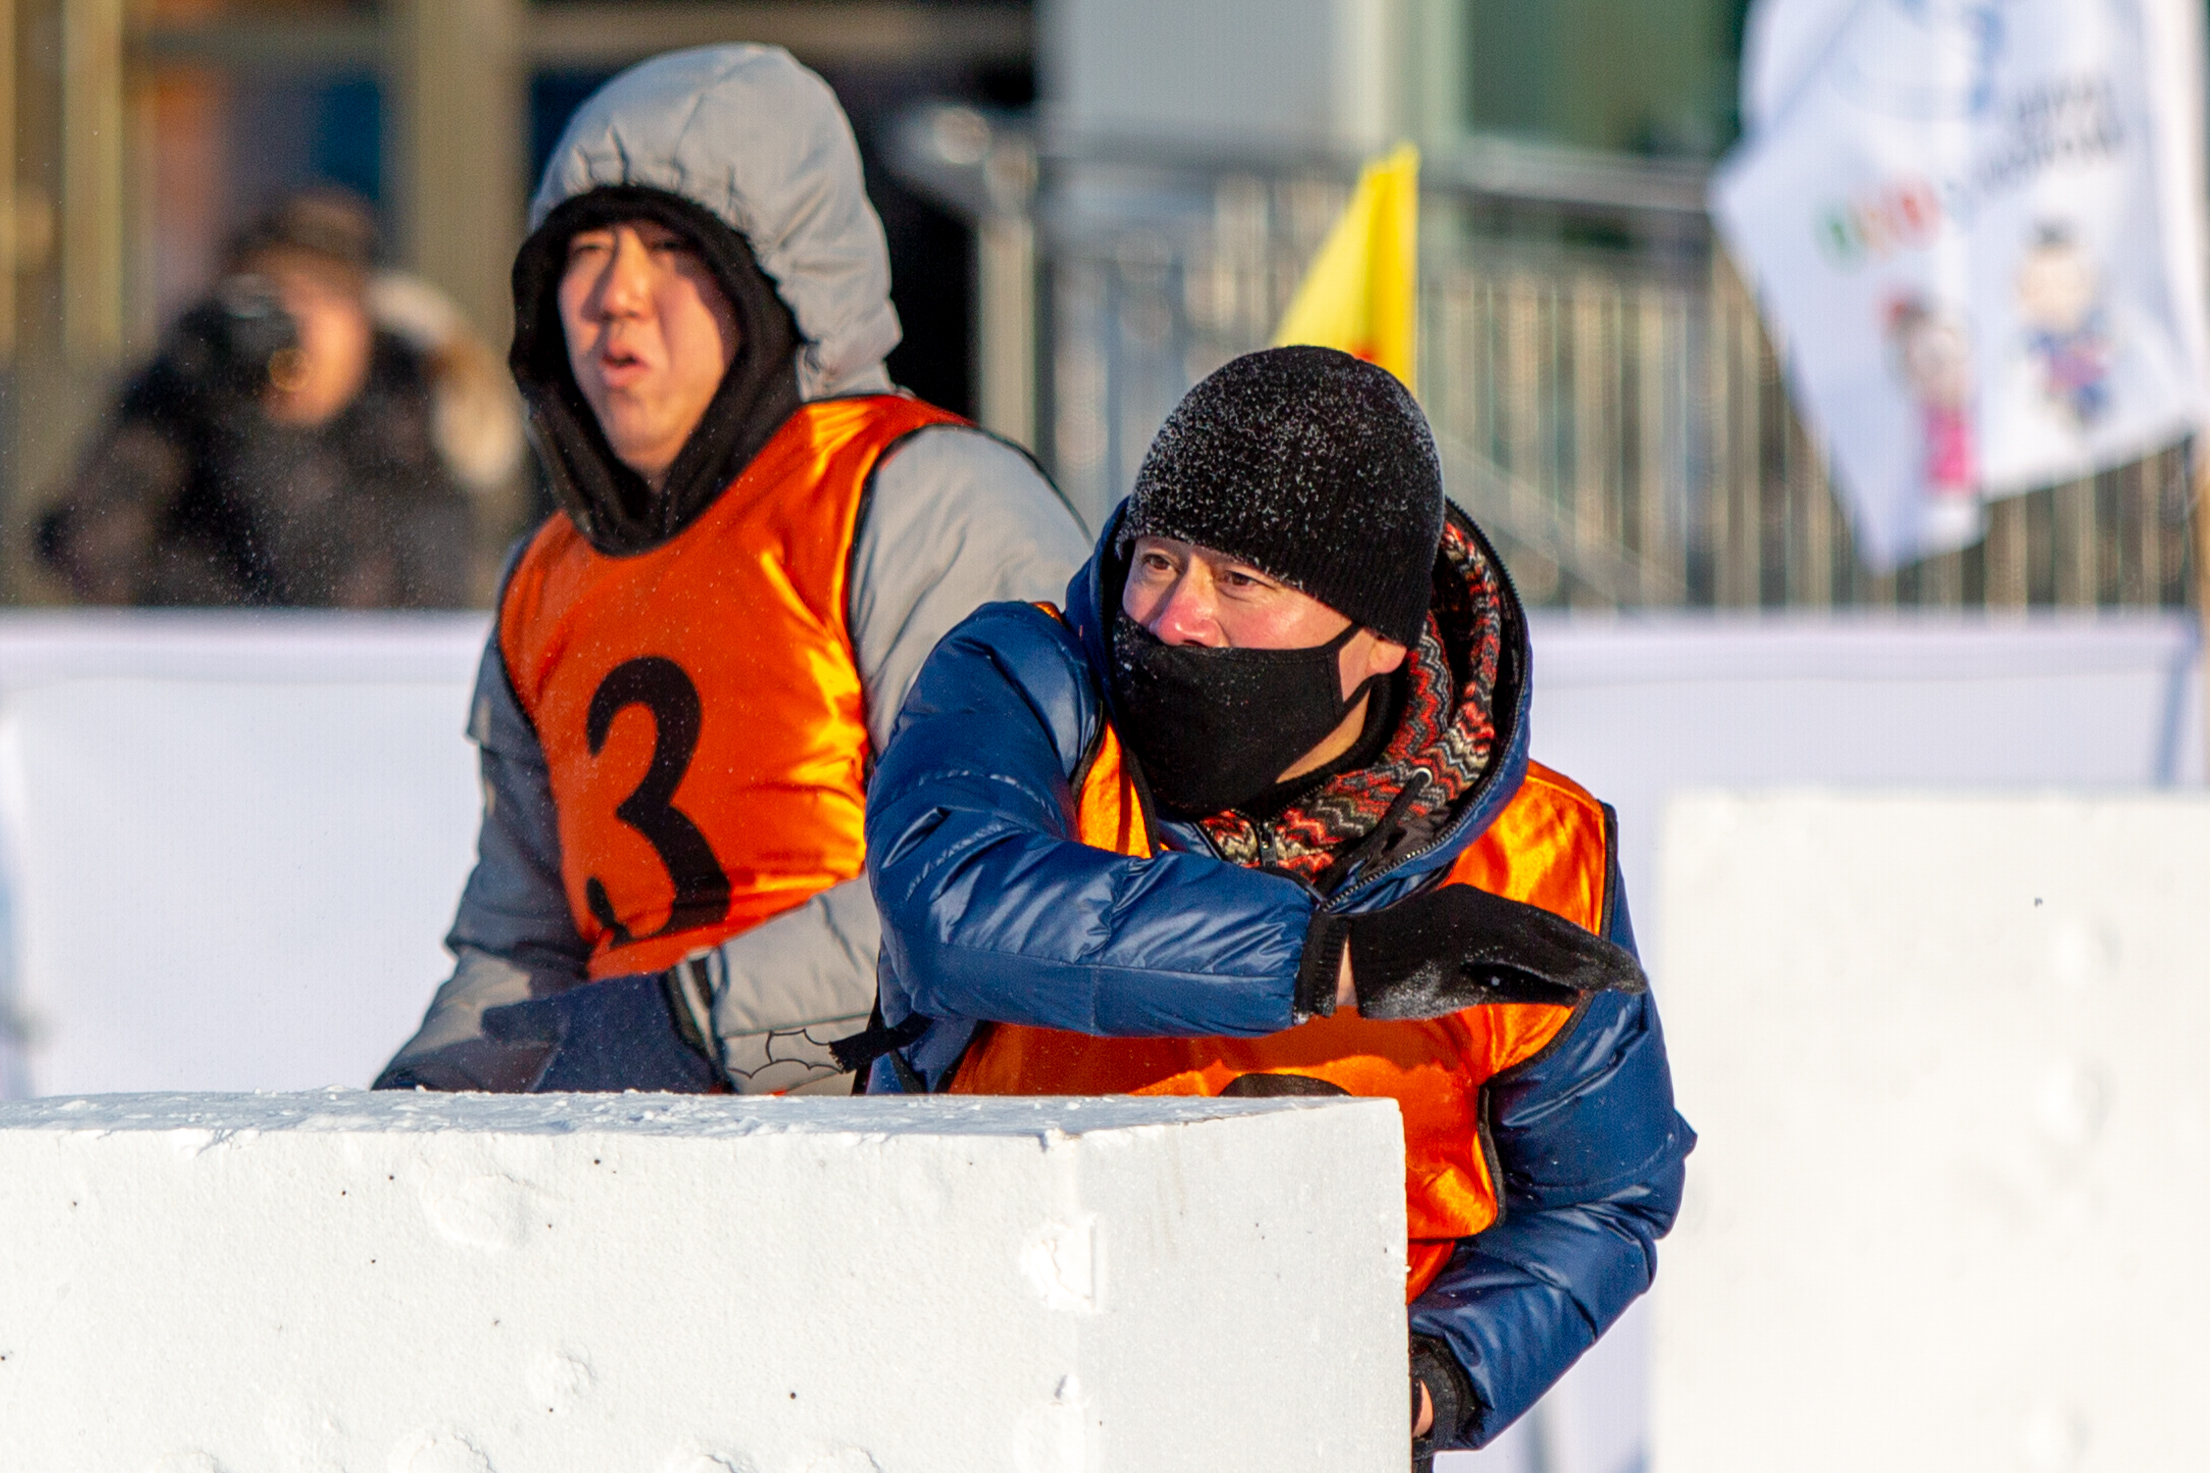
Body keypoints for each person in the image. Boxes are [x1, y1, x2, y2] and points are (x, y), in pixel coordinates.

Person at [859, 347, 1694, 1464]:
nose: (1174, 619)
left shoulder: (1539, 858)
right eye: (1158, 558)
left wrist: (1438, 1370)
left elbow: (1607, 1197)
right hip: (979, 1402)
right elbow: (949, 904)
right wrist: (1329, 960)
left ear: (1377, 642)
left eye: (1238, 582)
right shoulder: (1029, 683)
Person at [375, 45, 1087, 1095]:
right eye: (584, 252)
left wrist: (690, 1025)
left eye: (670, 249)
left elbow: (1011, 881)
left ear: (779, 286)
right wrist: (411, 1116)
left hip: (907, 1152)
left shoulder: (923, 500)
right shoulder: (547, 579)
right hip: (640, 1155)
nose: (615, 296)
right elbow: (523, 951)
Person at [38, 189, 516, 607]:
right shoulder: (203, 406)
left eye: (323, 299)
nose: (295, 329)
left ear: (365, 325)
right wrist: (177, 385)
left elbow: (363, 602)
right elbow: (85, 553)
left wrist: (265, 431)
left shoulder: (412, 422)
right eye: (274, 300)